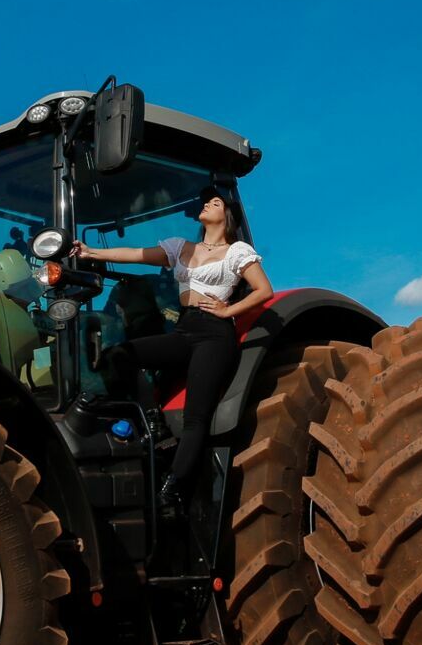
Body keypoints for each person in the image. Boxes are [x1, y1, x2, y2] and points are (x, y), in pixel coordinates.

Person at [72, 187, 274, 509]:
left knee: (196, 418)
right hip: (184, 329)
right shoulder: (181, 248)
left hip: (215, 335)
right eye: (207, 201)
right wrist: (91, 253)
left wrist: (227, 311)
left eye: (216, 202)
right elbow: (135, 254)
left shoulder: (237, 251)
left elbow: (264, 290)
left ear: (227, 216)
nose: (207, 204)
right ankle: (152, 418)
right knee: (121, 355)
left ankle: (173, 489)